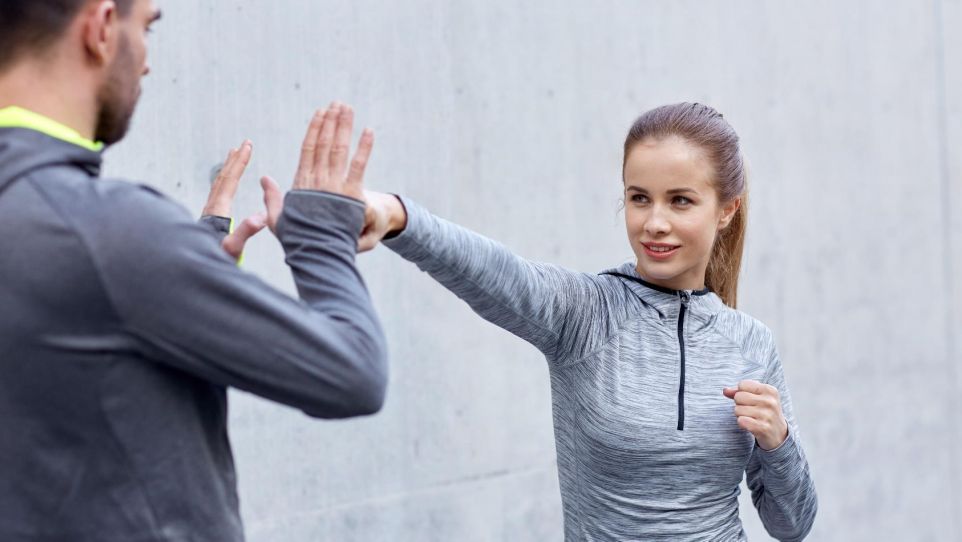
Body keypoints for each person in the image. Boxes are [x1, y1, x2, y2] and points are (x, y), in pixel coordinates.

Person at [0, 1, 387, 540]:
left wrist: (177, 274)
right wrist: (321, 235)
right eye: (147, 27)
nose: (148, 63)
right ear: (102, 26)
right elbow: (353, 374)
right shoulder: (107, 230)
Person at [360, 103, 817, 540]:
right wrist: (399, 218)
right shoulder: (586, 314)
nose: (654, 222)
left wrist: (778, 443)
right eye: (640, 198)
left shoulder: (751, 344)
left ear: (726, 210)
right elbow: (500, 273)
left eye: (680, 201)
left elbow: (791, 525)